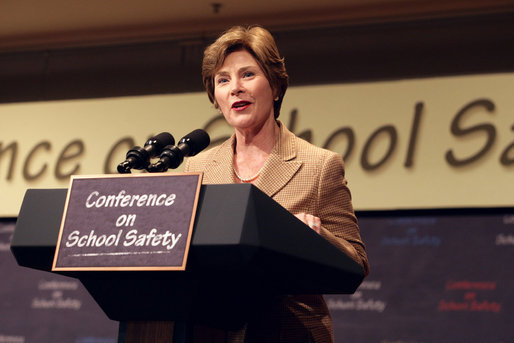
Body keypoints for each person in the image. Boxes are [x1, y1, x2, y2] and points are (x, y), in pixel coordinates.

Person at [184, 25, 369, 343]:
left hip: (291, 332)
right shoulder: (196, 168)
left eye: (247, 75)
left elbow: (357, 263)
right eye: (223, 80)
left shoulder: (318, 166)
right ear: (215, 97)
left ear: (276, 86)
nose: (235, 88)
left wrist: (317, 239)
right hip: (210, 332)